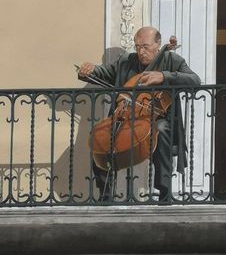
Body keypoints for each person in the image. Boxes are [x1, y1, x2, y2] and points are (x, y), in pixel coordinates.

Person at [77, 26, 201, 202]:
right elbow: (105, 74)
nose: (141, 51)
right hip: (124, 116)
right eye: (137, 46)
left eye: (145, 46)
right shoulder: (126, 61)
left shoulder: (172, 60)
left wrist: (163, 76)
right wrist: (89, 71)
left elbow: (195, 80)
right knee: (99, 135)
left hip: (156, 118)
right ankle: (105, 193)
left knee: (162, 129)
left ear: (158, 44)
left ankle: (164, 191)